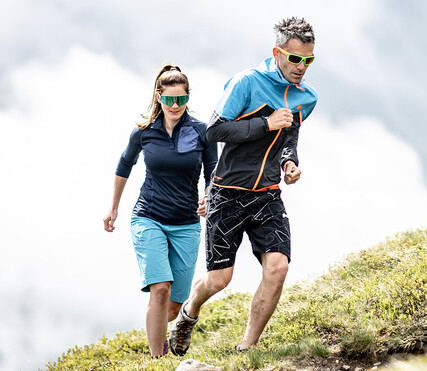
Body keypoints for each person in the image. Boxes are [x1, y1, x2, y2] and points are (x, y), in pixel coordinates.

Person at [167, 17, 318, 355]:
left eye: (309, 60)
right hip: (228, 193)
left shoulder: (307, 98)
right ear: (277, 53)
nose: (302, 67)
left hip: (267, 195)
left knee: (278, 267)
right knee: (220, 279)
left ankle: (247, 347)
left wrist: (289, 163)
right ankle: (190, 313)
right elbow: (215, 131)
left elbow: (289, 137)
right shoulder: (246, 83)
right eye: (295, 59)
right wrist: (264, 124)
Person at [103, 64, 218, 357]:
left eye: (180, 99)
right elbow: (124, 166)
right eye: (169, 99)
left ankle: (162, 326)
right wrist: (113, 207)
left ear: (187, 98)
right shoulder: (143, 132)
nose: (175, 105)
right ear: (158, 97)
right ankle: (158, 358)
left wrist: (208, 196)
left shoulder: (202, 132)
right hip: (148, 217)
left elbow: (213, 170)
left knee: (173, 304)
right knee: (161, 288)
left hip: (186, 224)